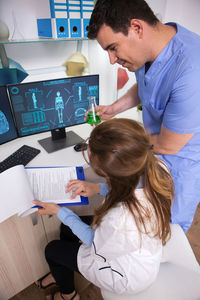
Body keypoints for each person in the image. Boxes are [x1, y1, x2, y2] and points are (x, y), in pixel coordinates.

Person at [84, 0, 200, 233]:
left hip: (178, 167)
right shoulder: (150, 48)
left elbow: (168, 146)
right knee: (137, 217)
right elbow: (146, 84)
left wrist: (114, 144)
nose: (112, 59)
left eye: (113, 48)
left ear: (137, 28)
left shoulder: (191, 71)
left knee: (163, 232)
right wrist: (115, 108)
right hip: (149, 150)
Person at [33, 118, 173, 300]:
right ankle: (62, 270)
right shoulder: (156, 167)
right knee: (67, 229)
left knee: (51, 250)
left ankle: (68, 294)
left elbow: (93, 241)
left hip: (125, 275)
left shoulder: (119, 219)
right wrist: (97, 188)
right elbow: (129, 185)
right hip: (137, 247)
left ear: (110, 173)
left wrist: (59, 211)